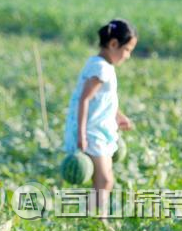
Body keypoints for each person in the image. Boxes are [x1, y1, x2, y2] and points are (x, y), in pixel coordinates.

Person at [64, 19, 137, 218]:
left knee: (101, 181)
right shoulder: (102, 68)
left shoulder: (97, 63)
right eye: (127, 50)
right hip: (92, 134)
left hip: (98, 131)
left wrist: (118, 116)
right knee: (104, 180)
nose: (128, 56)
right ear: (113, 44)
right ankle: (95, 219)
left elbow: (104, 101)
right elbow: (84, 99)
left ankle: (96, 218)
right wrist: (81, 135)